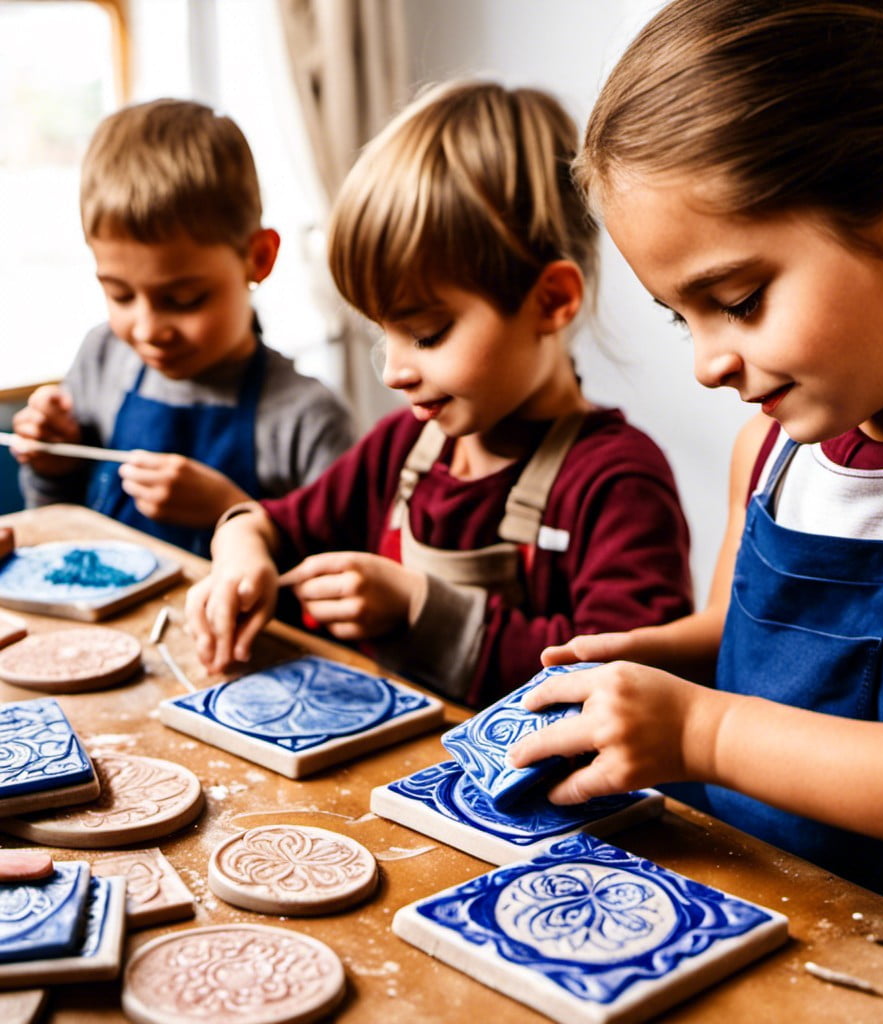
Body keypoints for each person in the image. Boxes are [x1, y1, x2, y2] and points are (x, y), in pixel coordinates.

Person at [508, 0, 883, 988]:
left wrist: (707, 731)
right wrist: (653, 658)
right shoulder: (773, 453)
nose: (707, 361)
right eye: (679, 319)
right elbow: (743, 635)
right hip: (749, 937)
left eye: (738, 300)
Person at [185, 80, 693, 708]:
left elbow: (626, 676)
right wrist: (241, 555)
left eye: (426, 334)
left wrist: (419, 607)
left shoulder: (615, 480)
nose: (393, 370)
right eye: (383, 333)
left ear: (551, 301)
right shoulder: (403, 449)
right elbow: (271, 526)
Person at [12, 98, 354, 557]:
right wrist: (54, 466)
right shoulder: (101, 358)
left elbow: (342, 591)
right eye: (120, 295)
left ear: (258, 259)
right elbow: (58, 527)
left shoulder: (308, 421)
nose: (149, 328)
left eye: (184, 300)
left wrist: (236, 515)